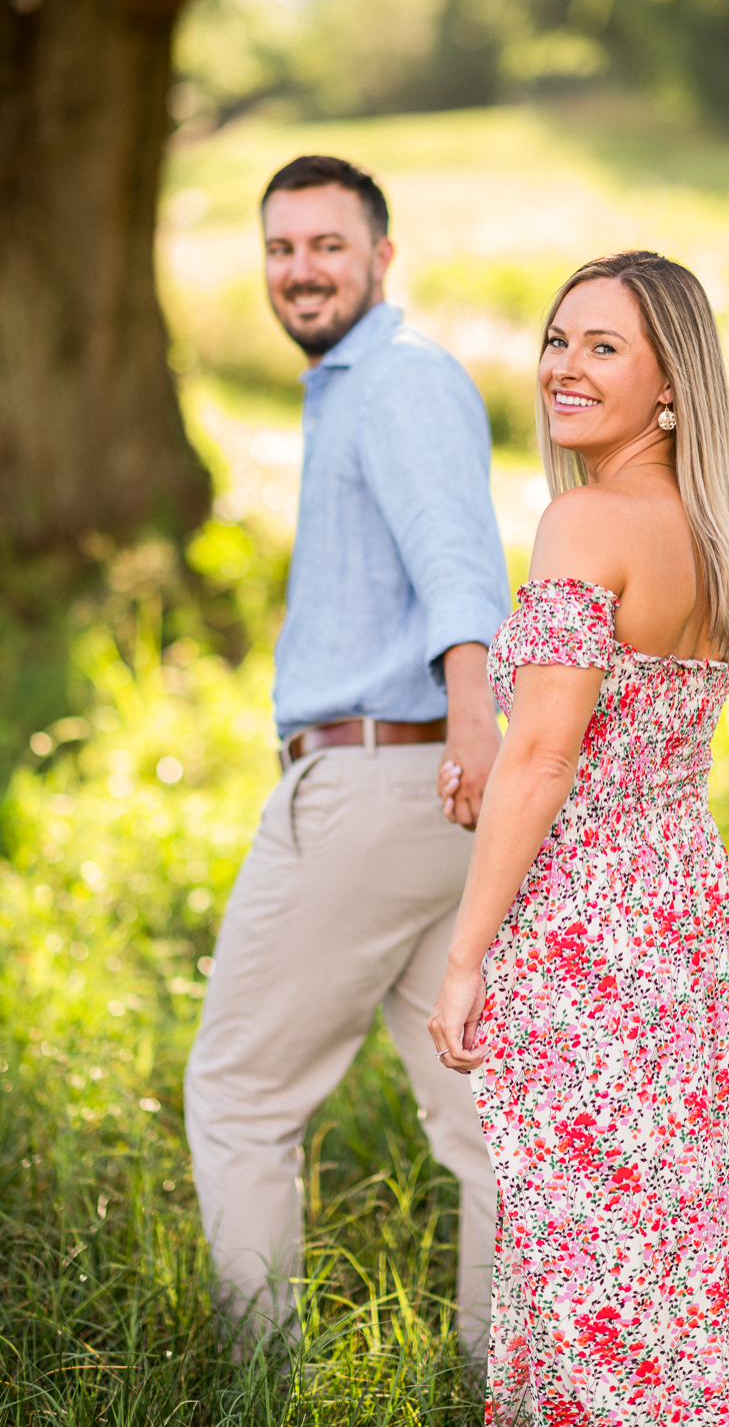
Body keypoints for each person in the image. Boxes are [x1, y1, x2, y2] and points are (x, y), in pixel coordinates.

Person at [429, 250, 729, 1422]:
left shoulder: (586, 518)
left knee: (584, 1252)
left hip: (585, 932)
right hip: (681, 914)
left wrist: (461, 955)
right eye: (557, 340)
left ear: (670, 385)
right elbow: (605, 748)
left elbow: (545, 760)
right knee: (688, 1244)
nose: (565, 368)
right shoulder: (705, 529)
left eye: (604, 348)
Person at [184, 155, 510, 1361]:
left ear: (382, 256)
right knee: (484, 1124)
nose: (301, 269)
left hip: (379, 783)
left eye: (327, 245)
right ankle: (505, 1374)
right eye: (281, 248)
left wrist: (476, 722)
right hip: (426, 801)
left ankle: (255, 1377)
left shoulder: (399, 380)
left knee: (239, 1095)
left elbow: (458, 564)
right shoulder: (358, 385)